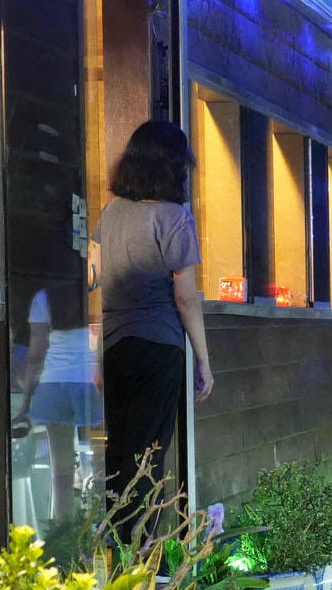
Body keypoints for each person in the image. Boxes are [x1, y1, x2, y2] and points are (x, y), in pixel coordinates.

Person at [91, 121, 214, 530]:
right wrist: (203, 360)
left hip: (112, 346)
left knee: (118, 447)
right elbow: (185, 297)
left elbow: (91, 274)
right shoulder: (174, 217)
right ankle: (144, 558)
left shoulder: (110, 213)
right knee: (148, 455)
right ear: (173, 166)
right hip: (159, 347)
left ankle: (114, 546)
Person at [15, 280, 101, 522]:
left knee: (61, 474)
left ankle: (63, 536)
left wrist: (27, 401)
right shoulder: (91, 294)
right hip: (86, 385)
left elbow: (35, 356)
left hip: (53, 387)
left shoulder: (43, 297)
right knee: (99, 470)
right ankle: (99, 533)